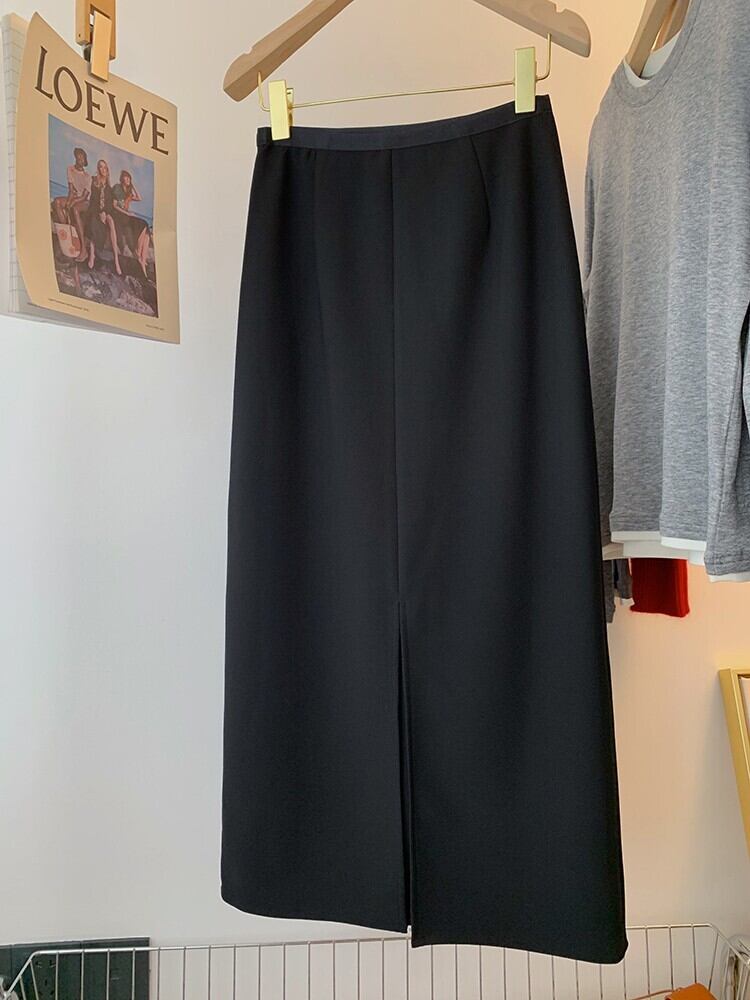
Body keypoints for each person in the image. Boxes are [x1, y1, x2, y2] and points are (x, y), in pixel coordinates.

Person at [52, 147, 91, 263]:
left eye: (82, 158)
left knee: (74, 209)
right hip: (74, 197)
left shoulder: (88, 176)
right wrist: (69, 201)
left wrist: (72, 202)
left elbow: (84, 196)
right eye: (78, 158)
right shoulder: (70, 169)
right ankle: (66, 235)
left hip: (85, 201)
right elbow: (70, 190)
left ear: (85, 160)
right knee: (57, 202)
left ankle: (83, 249)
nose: (80, 160)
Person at [112, 170, 151, 276]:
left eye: (129, 178)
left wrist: (133, 186)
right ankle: (138, 255)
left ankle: (142, 260)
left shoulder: (129, 192)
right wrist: (127, 213)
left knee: (145, 226)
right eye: (126, 177)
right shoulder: (117, 188)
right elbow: (114, 205)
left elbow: (139, 198)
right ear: (122, 179)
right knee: (141, 224)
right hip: (119, 215)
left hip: (127, 215)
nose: (128, 179)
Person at [86, 159, 121, 276]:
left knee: (111, 222)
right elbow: (93, 200)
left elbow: (110, 205)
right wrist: (99, 212)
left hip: (105, 212)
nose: (103, 169)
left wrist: (105, 213)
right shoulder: (94, 182)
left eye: (105, 167)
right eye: (101, 167)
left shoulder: (109, 188)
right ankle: (92, 255)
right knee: (93, 222)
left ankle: (116, 261)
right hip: (95, 210)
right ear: (98, 169)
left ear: (107, 170)